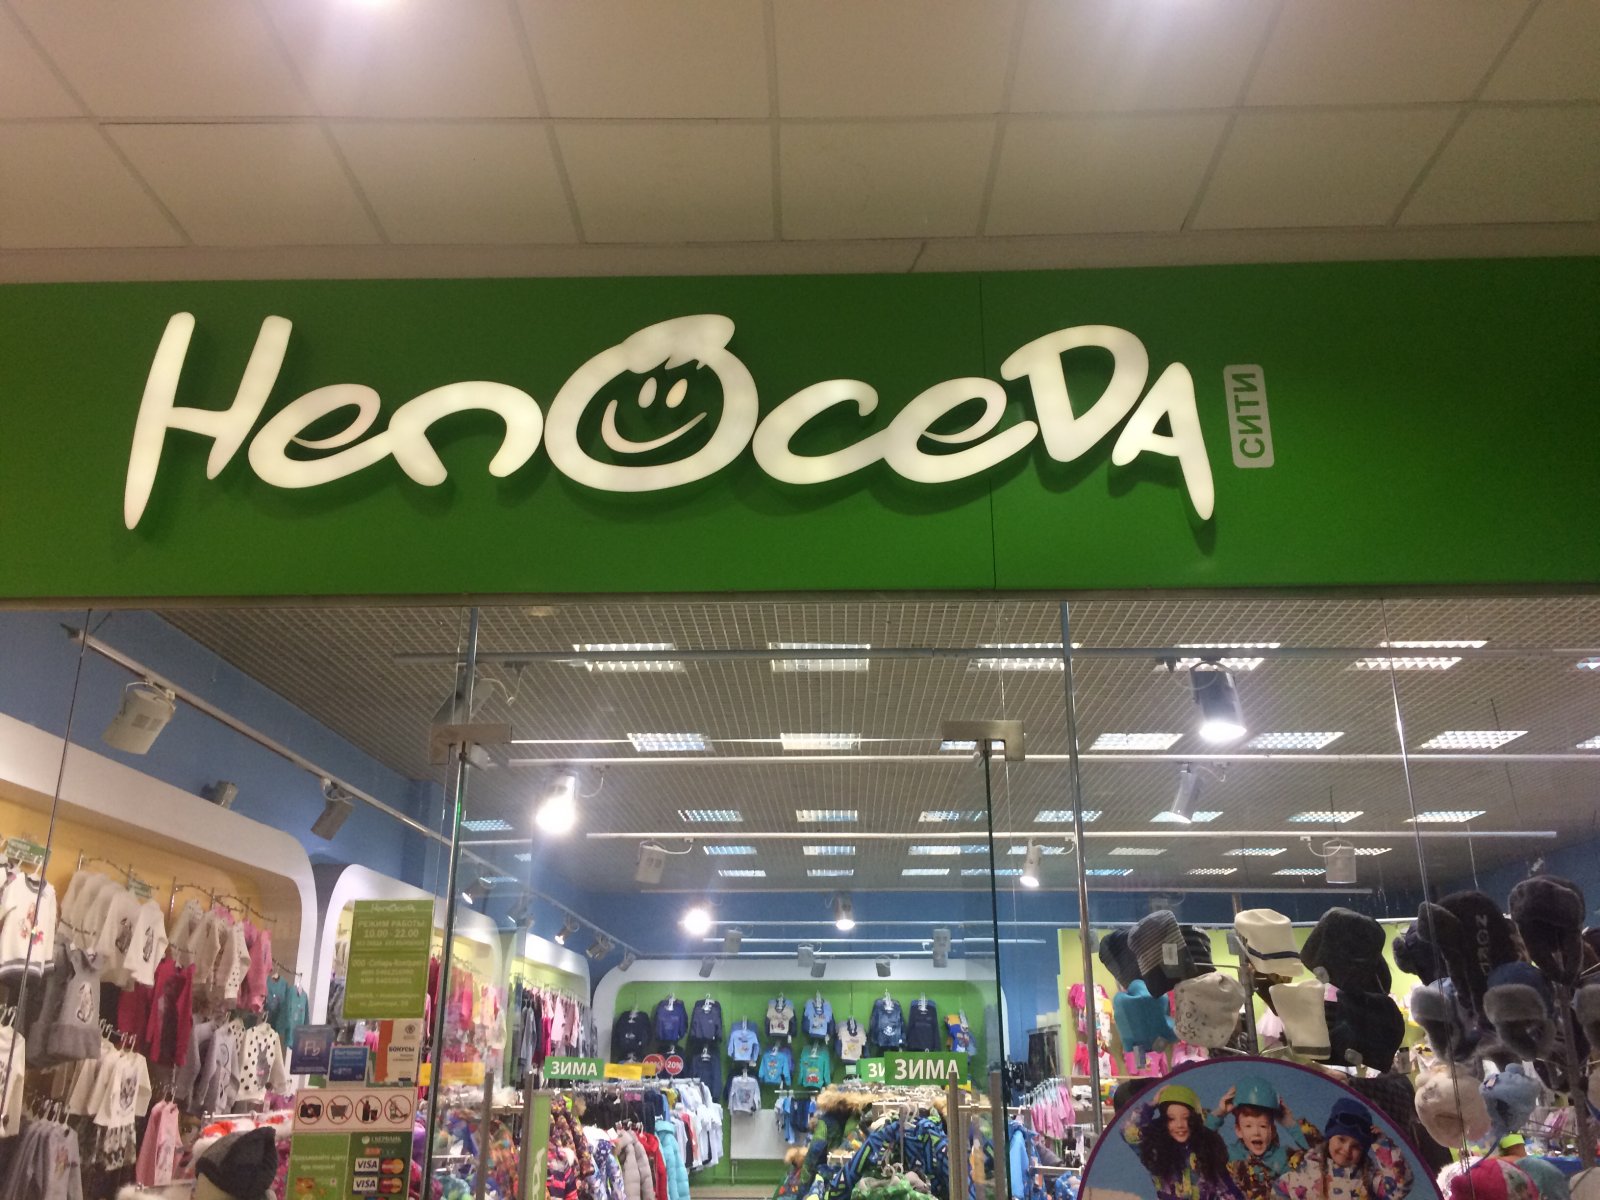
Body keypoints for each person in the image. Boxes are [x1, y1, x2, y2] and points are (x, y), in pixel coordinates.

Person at [1122, 1084, 1246, 1200]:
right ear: (1164, 1121)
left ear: (1194, 1120)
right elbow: (1127, 1130)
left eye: (1186, 1118)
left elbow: (1228, 1192)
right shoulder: (1157, 1152)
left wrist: (1220, 1112)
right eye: (1171, 1119)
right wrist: (1152, 1104)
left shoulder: (1206, 1152)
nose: (1180, 1125)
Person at [1206, 1078, 1320, 1200]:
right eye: (1248, 1126)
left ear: (1273, 1131)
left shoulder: (1283, 1157)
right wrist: (1220, 1113)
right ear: (1238, 1131)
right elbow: (1198, 1146)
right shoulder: (1229, 1155)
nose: (1256, 1132)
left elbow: (1321, 1154)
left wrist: (1290, 1123)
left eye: (1263, 1126)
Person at [1274, 1098, 1411, 1200]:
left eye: (1356, 1146)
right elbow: (1280, 1189)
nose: (1346, 1149)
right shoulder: (1308, 1168)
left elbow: (1400, 1186)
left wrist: (1382, 1145)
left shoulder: (1368, 1180)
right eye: (1341, 1139)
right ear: (1330, 1137)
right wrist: (1287, 1120)